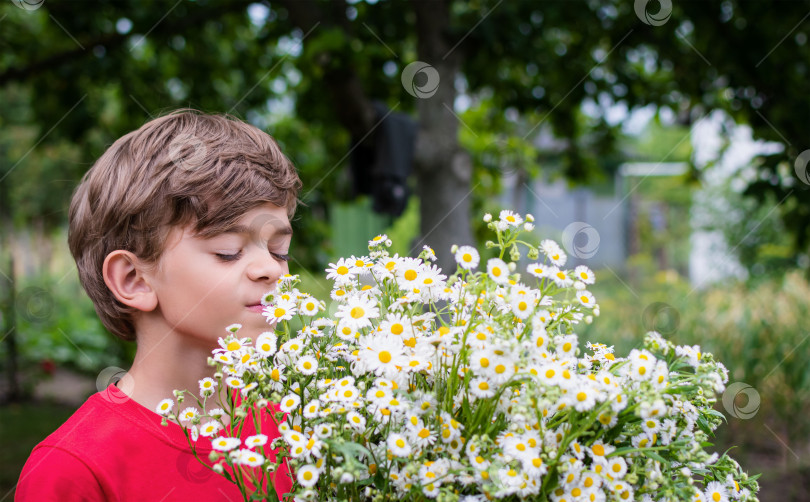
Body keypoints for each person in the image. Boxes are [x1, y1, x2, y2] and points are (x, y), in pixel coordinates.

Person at [16, 110, 301, 501]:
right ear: (134, 280)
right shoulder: (72, 469)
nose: (271, 268)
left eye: (278, 250)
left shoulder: (300, 423)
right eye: (228, 251)